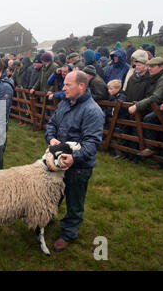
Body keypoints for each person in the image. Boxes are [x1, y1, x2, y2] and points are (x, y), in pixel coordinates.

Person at [44, 70, 105, 252]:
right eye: (64, 84)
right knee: (53, 193)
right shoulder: (65, 103)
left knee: (74, 200)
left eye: (67, 84)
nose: (63, 88)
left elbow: (92, 143)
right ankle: (47, 219)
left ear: (81, 86)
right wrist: (51, 138)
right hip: (59, 161)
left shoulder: (92, 111)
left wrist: (74, 158)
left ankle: (68, 233)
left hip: (78, 167)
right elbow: (52, 124)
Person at [134, 57, 163, 158]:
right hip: (162, 106)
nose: (149, 68)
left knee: (149, 119)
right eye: (148, 66)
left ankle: (151, 147)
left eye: (152, 66)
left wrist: (138, 105)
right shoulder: (157, 76)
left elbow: (157, 97)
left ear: (161, 67)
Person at [106, 79, 128, 159]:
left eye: (111, 89)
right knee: (112, 134)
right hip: (114, 120)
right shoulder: (112, 97)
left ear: (118, 88)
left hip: (120, 120)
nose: (109, 91)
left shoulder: (121, 97)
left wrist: (111, 112)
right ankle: (112, 151)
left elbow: (118, 109)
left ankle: (121, 153)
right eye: (108, 89)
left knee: (119, 136)